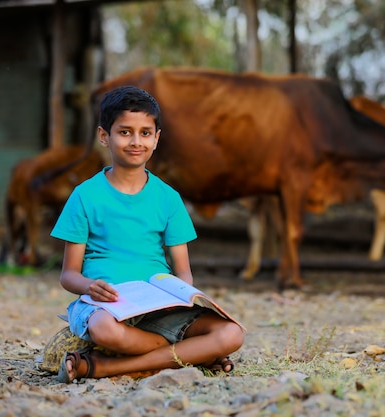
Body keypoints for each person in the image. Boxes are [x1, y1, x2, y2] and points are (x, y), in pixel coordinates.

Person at [51, 85, 245, 383]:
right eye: (125, 132)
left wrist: (182, 296)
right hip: (107, 305)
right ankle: (191, 355)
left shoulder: (168, 198)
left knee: (231, 333)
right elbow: (69, 275)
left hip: (159, 307)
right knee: (104, 330)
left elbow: (183, 274)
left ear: (156, 138)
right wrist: (90, 287)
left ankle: (106, 367)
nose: (135, 141)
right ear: (105, 136)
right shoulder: (84, 196)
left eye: (145, 133)